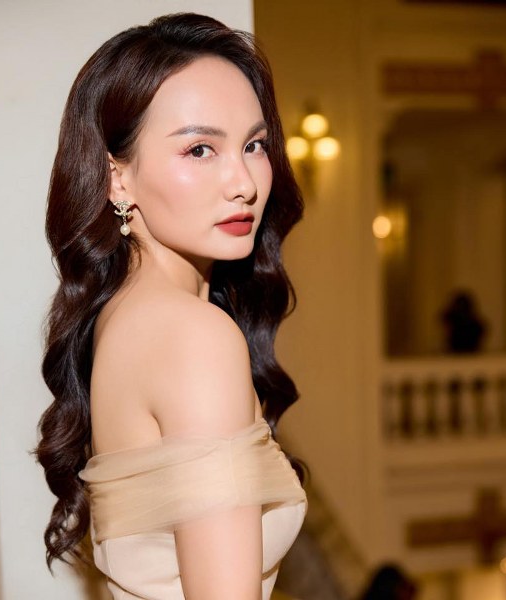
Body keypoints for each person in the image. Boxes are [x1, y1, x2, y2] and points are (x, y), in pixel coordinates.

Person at [35, 12, 306, 600]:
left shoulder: (122, 317)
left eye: (254, 145)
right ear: (117, 179)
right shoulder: (194, 335)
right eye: (200, 149)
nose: (244, 182)